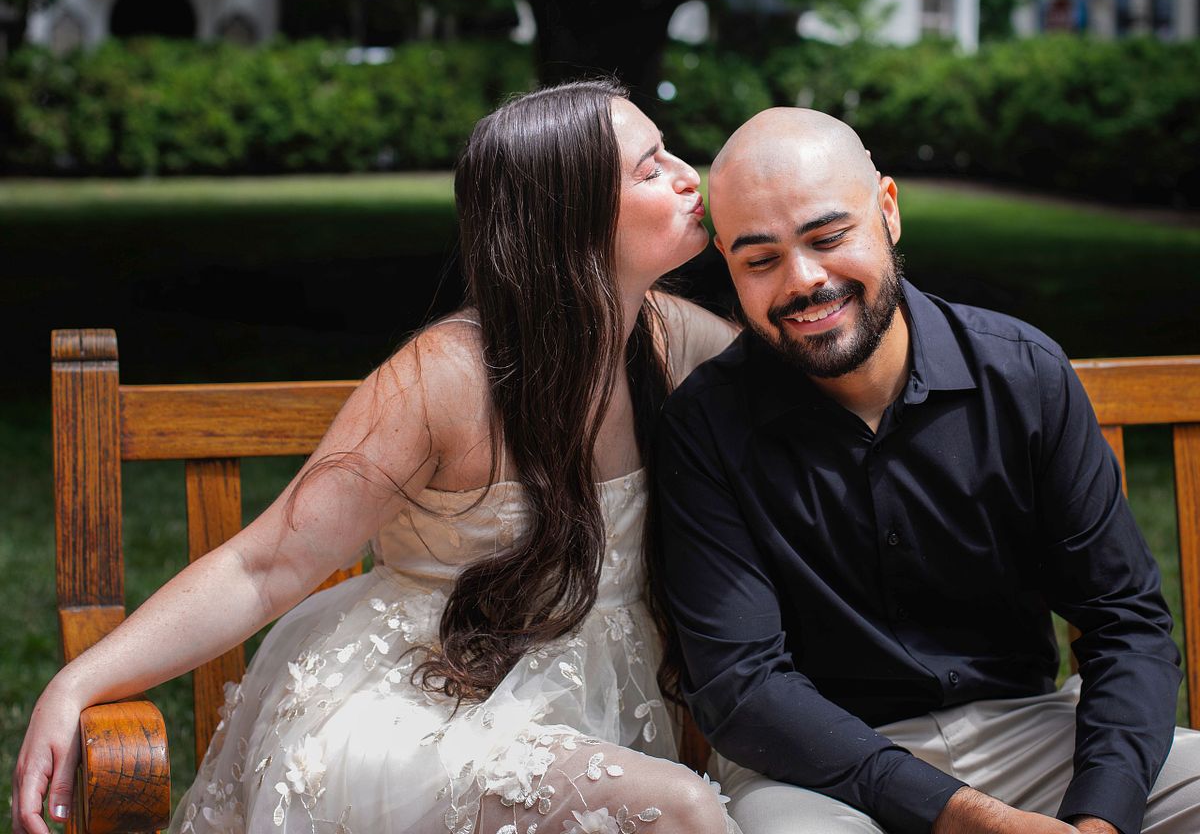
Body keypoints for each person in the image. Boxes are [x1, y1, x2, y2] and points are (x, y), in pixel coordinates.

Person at [13, 80, 741, 834]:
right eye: (651, 169)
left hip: (579, 710)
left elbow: (819, 388)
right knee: (681, 811)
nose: (693, 176)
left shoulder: (667, 338)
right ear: (572, 219)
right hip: (423, 716)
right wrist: (78, 683)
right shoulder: (445, 380)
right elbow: (262, 567)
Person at [653, 107, 1200, 834]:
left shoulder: (1023, 374)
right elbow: (743, 688)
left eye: (828, 236)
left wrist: (1101, 818)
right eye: (761, 259)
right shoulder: (703, 427)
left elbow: (1125, 620)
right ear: (727, 260)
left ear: (887, 210)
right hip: (819, 767)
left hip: (1033, 732)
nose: (804, 280)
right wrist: (960, 817)